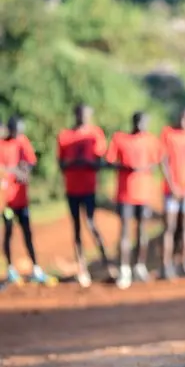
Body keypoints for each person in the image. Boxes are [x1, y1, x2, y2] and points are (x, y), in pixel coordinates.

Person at [56, 104, 112, 287]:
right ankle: (82, 267)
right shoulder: (65, 136)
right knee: (77, 228)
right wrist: (73, 162)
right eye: (81, 114)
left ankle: (106, 262)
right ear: (76, 115)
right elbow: (61, 164)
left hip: (88, 187)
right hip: (72, 188)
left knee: (90, 222)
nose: (84, 118)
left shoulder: (96, 134)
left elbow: (100, 162)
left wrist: (86, 162)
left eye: (87, 115)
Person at [106, 112, 162, 289]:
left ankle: (139, 266)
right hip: (125, 194)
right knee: (124, 232)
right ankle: (124, 269)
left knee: (142, 230)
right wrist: (126, 166)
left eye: (145, 122)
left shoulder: (152, 140)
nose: (142, 125)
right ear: (133, 122)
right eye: (139, 122)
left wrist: (144, 167)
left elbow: (157, 161)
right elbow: (109, 161)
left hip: (144, 194)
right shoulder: (120, 138)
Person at [0, 117, 47, 285]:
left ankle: (36, 267)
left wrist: (23, 170)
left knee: (27, 232)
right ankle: (11, 269)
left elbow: (30, 162)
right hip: (7, 200)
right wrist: (14, 170)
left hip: (22, 199)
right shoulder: (2, 144)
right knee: (8, 232)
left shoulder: (22, 142)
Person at [160, 108, 185, 279]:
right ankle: (166, 265)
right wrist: (173, 186)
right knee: (169, 227)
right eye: (182, 117)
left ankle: (184, 263)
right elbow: (164, 161)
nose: (184, 121)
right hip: (171, 190)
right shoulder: (168, 134)